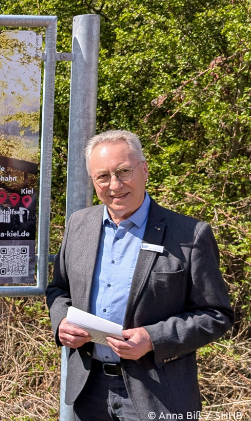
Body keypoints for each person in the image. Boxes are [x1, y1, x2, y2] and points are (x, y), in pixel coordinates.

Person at [46, 130, 234, 420]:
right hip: (89, 389)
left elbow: (217, 314)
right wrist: (61, 323)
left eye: (123, 171)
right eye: (103, 176)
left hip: (158, 394)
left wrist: (152, 338)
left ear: (144, 170)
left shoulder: (189, 235)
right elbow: (59, 289)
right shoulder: (79, 224)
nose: (115, 185)